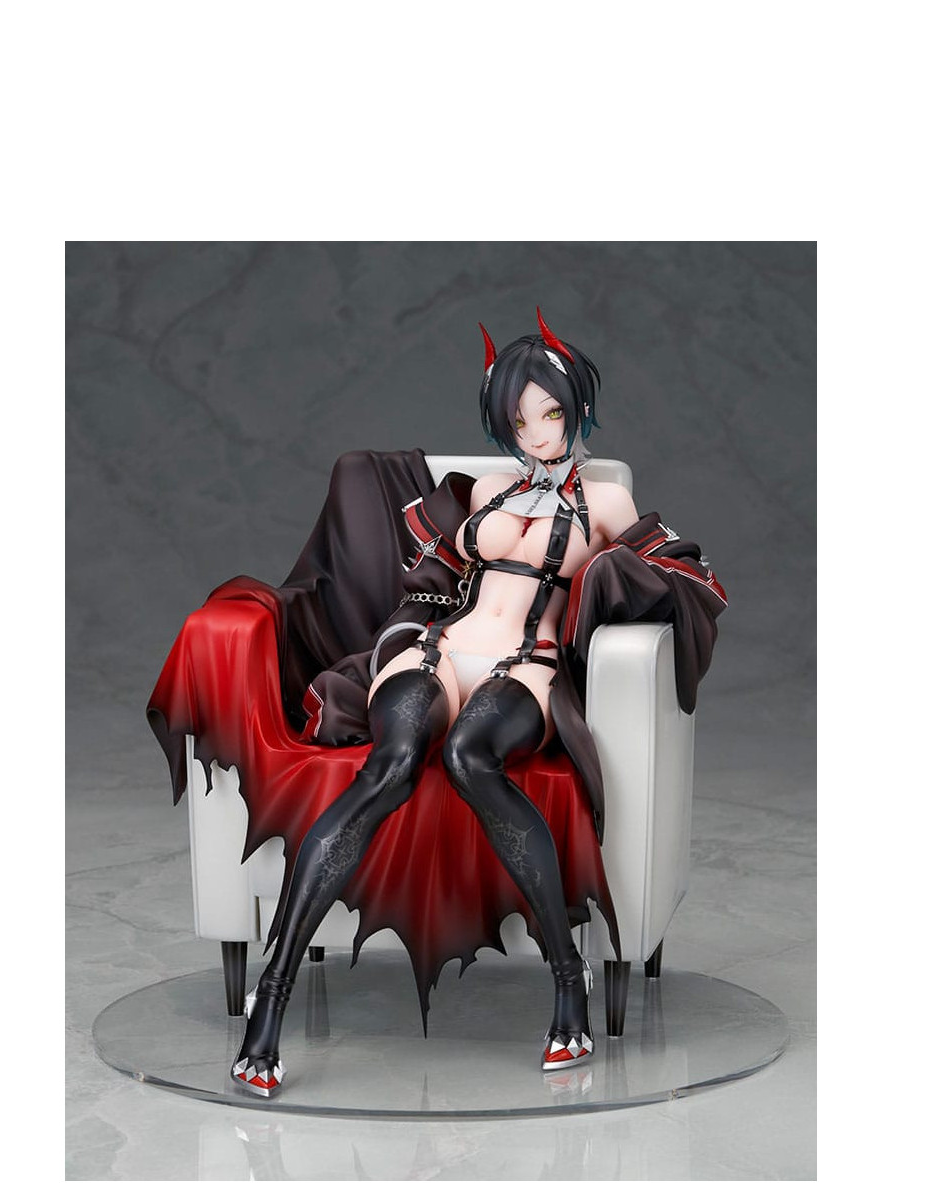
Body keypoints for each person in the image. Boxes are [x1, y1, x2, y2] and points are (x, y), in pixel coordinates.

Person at [231, 311, 657, 1097]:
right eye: (519, 421)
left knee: (469, 757)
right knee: (390, 765)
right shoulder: (488, 489)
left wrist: (611, 585)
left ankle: (569, 980)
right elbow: (436, 566)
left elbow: (658, 584)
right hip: (439, 649)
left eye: (550, 413)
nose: (537, 434)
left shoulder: (608, 503)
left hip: (525, 663)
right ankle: (273, 994)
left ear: (577, 405)